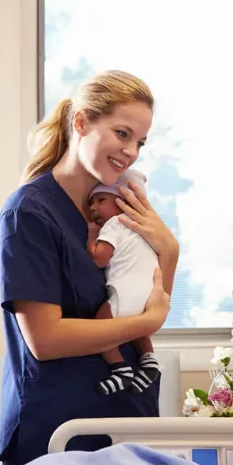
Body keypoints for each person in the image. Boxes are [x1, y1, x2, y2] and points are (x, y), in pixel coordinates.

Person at [0, 70, 179, 465]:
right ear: (80, 122)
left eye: (140, 142)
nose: (131, 151)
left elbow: (146, 303)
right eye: (122, 133)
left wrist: (170, 250)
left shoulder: (119, 207)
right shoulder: (28, 214)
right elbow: (45, 338)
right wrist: (148, 321)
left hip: (128, 416)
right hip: (60, 430)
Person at [87, 168, 161, 395]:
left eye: (100, 200)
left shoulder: (114, 224)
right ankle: (149, 362)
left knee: (101, 325)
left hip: (124, 290)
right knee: (138, 331)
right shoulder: (144, 230)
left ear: (122, 202)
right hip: (147, 292)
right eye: (91, 203)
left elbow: (100, 259)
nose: (93, 208)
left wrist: (91, 235)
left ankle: (120, 369)